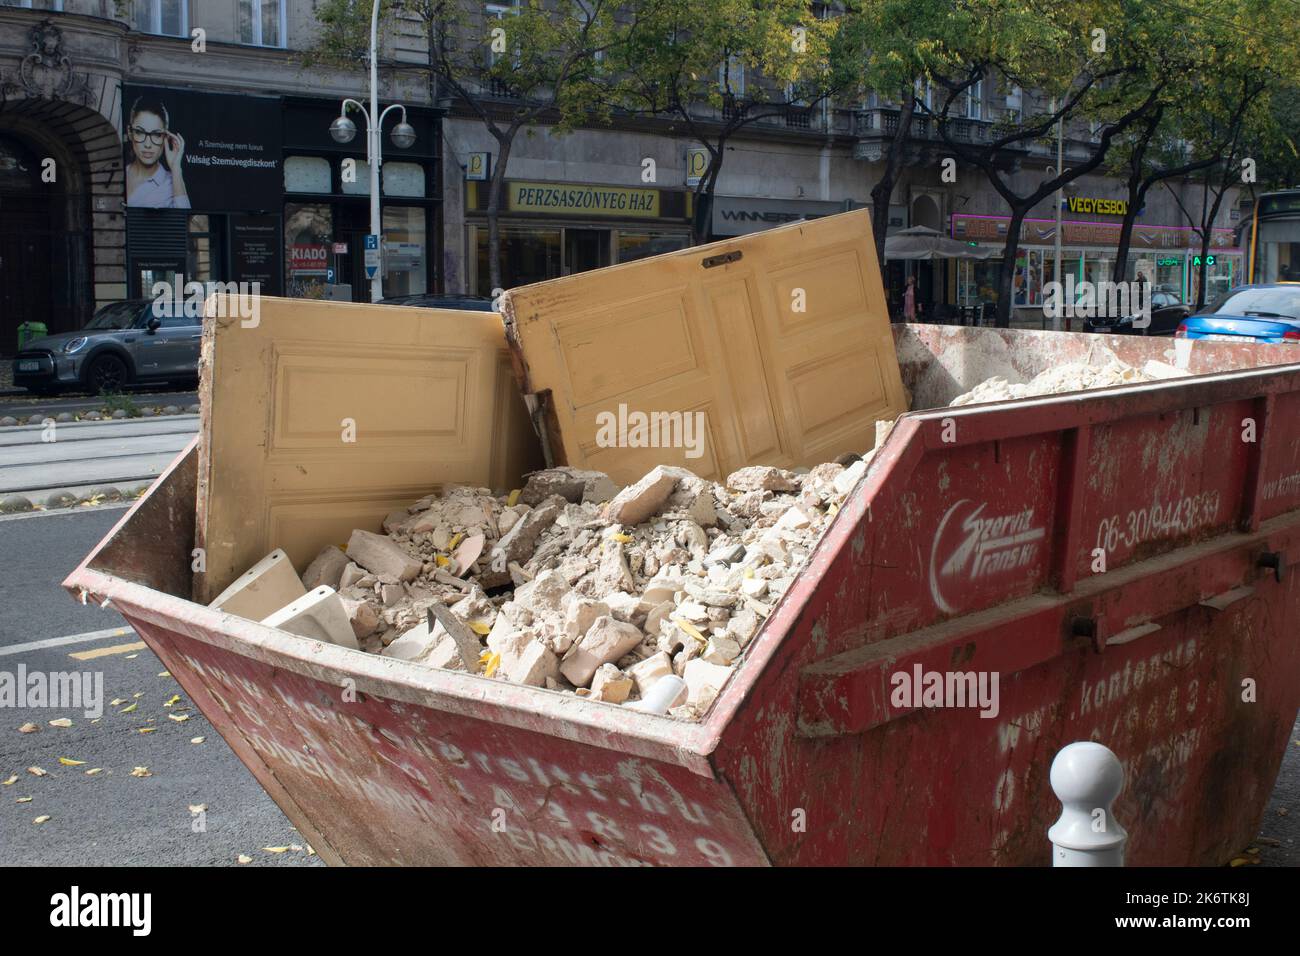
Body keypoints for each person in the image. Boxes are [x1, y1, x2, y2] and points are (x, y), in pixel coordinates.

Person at [125, 97, 190, 209]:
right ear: (130, 133)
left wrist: (176, 169)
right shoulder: (120, 172)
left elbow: (185, 220)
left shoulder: (171, 182)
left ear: (165, 137)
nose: (148, 144)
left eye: (156, 135)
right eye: (140, 132)